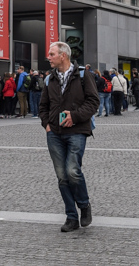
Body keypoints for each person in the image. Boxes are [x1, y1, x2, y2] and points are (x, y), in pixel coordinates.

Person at [38, 40, 99, 233]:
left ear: (63, 55)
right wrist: (46, 124)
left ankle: (84, 204)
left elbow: (93, 101)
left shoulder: (82, 75)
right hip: (54, 133)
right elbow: (43, 105)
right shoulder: (50, 78)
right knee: (62, 176)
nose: (48, 57)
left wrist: (75, 116)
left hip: (77, 131)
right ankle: (71, 216)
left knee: (73, 171)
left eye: (51, 54)